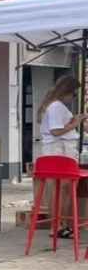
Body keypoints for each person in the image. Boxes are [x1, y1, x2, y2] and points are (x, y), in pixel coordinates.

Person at [36, 75, 87, 237]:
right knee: (64, 188)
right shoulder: (56, 106)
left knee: (59, 189)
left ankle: (59, 224)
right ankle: (59, 224)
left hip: (55, 151)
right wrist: (75, 124)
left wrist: (73, 120)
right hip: (60, 151)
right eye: (73, 94)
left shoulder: (53, 105)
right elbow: (56, 131)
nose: (73, 98)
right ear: (67, 91)